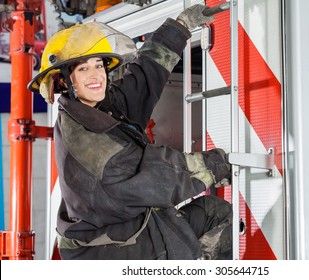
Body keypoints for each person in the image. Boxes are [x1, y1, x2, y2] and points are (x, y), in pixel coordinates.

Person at [28, 4, 232, 260]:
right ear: (64, 82)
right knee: (189, 240)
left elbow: (145, 76)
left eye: (99, 65)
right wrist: (217, 165)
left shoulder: (101, 107)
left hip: (124, 229)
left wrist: (180, 27)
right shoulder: (88, 143)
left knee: (214, 211)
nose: (96, 75)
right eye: (83, 69)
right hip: (109, 249)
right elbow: (156, 177)